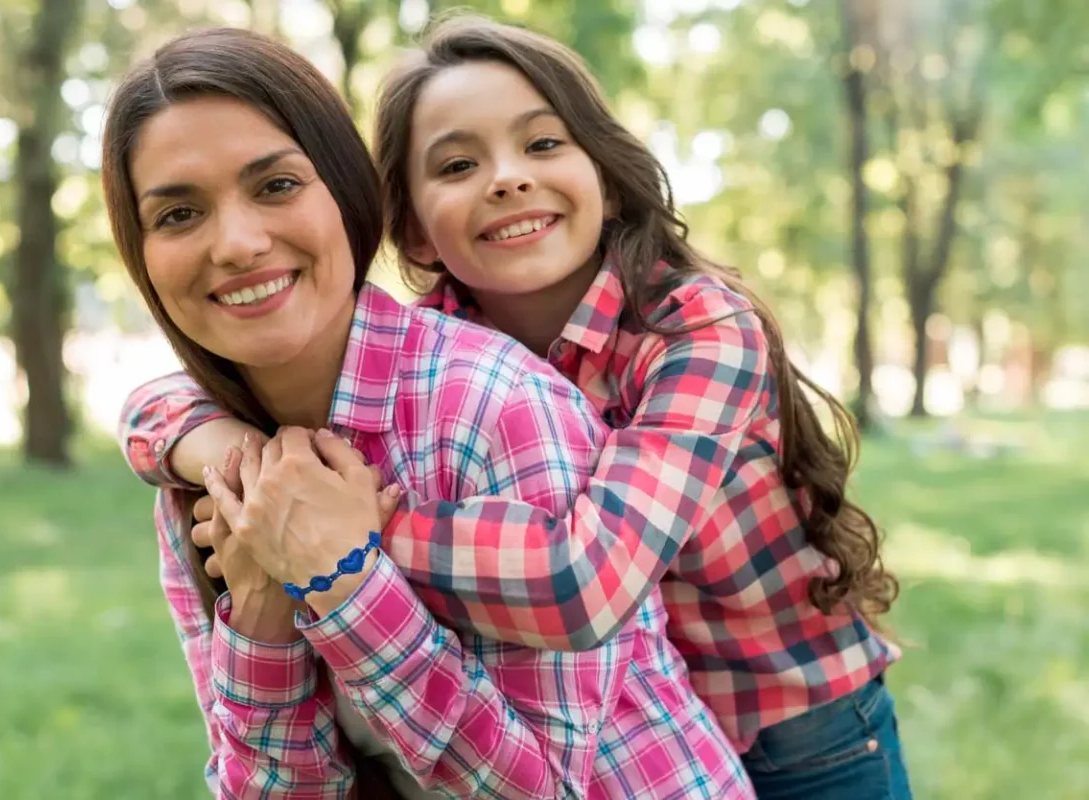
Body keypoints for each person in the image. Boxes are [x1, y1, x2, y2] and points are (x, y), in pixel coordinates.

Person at [123, 15, 914, 799]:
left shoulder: (695, 330)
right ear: (414, 230)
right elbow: (163, 400)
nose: (506, 178)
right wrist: (226, 456)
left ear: (604, 178)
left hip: (799, 720)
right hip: (642, 721)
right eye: (458, 164)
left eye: (541, 144)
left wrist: (338, 536)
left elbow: (585, 582)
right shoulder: (447, 345)